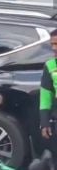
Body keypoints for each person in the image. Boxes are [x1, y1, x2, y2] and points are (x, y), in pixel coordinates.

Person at [39, 29, 57, 164]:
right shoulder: (50, 65)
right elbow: (45, 96)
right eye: (52, 44)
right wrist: (44, 122)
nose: (54, 48)